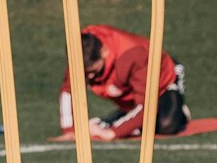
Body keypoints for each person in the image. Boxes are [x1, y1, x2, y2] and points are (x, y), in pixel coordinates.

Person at [58, 25, 189, 140]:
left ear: (104, 52)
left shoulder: (133, 55)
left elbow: (145, 106)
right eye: (86, 72)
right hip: (132, 90)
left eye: (93, 70)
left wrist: (112, 132)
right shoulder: (80, 51)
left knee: (166, 126)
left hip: (163, 81)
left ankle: (177, 111)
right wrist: (69, 130)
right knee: (139, 118)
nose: (89, 76)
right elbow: (68, 91)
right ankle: (123, 116)